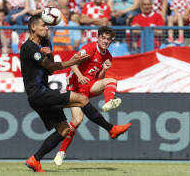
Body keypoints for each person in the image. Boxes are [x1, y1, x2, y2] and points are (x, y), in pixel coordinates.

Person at [21, 14, 131, 172]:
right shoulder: (28, 47)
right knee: (81, 99)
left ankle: (35, 160)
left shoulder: (43, 44)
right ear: (33, 27)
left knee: (64, 130)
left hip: (42, 93)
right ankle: (111, 129)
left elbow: (49, 69)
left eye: (47, 26)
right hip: (39, 93)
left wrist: (49, 53)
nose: (47, 28)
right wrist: (73, 62)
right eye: (43, 26)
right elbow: (52, 68)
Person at [53, 26, 123, 166]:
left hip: (89, 85)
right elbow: (72, 62)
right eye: (103, 38)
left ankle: (108, 102)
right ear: (97, 38)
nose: (105, 41)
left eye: (108, 39)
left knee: (112, 80)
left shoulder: (108, 56)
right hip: (75, 87)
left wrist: (104, 69)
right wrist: (79, 76)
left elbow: (99, 77)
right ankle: (61, 152)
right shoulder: (90, 48)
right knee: (77, 120)